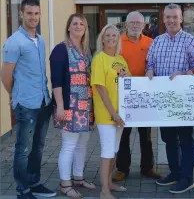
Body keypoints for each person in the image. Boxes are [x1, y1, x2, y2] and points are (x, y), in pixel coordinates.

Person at [1, 0, 56, 199]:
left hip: (43, 101)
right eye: (29, 13)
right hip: (26, 104)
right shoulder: (14, 42)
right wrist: (14, 95)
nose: (33, 17)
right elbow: (5, 76)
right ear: (21, 14)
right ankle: (22, 189)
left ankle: (34, 182)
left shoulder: (40, 41)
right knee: (23, 148)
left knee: (39, 147)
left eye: (36, 13)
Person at [146, 3, 194, 194]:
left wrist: (187, 72)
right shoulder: (157, 41)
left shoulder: (190, 41)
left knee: (185, 139)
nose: (171, 20)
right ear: (163, 19)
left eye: (174, 17)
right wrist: (150, 70)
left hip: (183, 100)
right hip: (163, 100)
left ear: (181, 19)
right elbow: (150, 63)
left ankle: (187, 178)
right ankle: (175, 172)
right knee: (168, 138)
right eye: (168, 17)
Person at [112, 11, 162, 182]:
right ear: (126, 24)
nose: (135, 26)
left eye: (138, 23)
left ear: (143, 25)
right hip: (124, 95)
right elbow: (111, 63)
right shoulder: (117, 41)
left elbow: (155, 63)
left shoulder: (151, 43)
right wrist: (119, 72)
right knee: (124, 134)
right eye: (132, 23)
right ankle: (122, 168)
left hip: (145, 95)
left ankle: (147, 168)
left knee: (146, 136)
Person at [49, 13, 96, 198]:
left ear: (85, 29)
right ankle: (65, 183)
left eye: (81, 24)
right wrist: (60, 105)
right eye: (74, 23)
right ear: (68, 27)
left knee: (82, 144)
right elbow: (57, 81)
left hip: (86, 106)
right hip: (69, 106)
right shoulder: (61, 49)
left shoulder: (86, 50)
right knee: (69, 144)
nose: (78, 26)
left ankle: (78, 178)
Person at [91, 24, 130, 199]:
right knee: (107, 151)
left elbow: (128, 81)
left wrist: (126, 77)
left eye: (114, 36)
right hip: (107, 113)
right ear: (102, 38)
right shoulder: (99, 58)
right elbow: (100, 88)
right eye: (108, 36)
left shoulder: (121, 59)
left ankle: (109, 183)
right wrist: (112, 113)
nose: (111, 39)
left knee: (114, 149)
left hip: (121, 113)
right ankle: (104, 191)